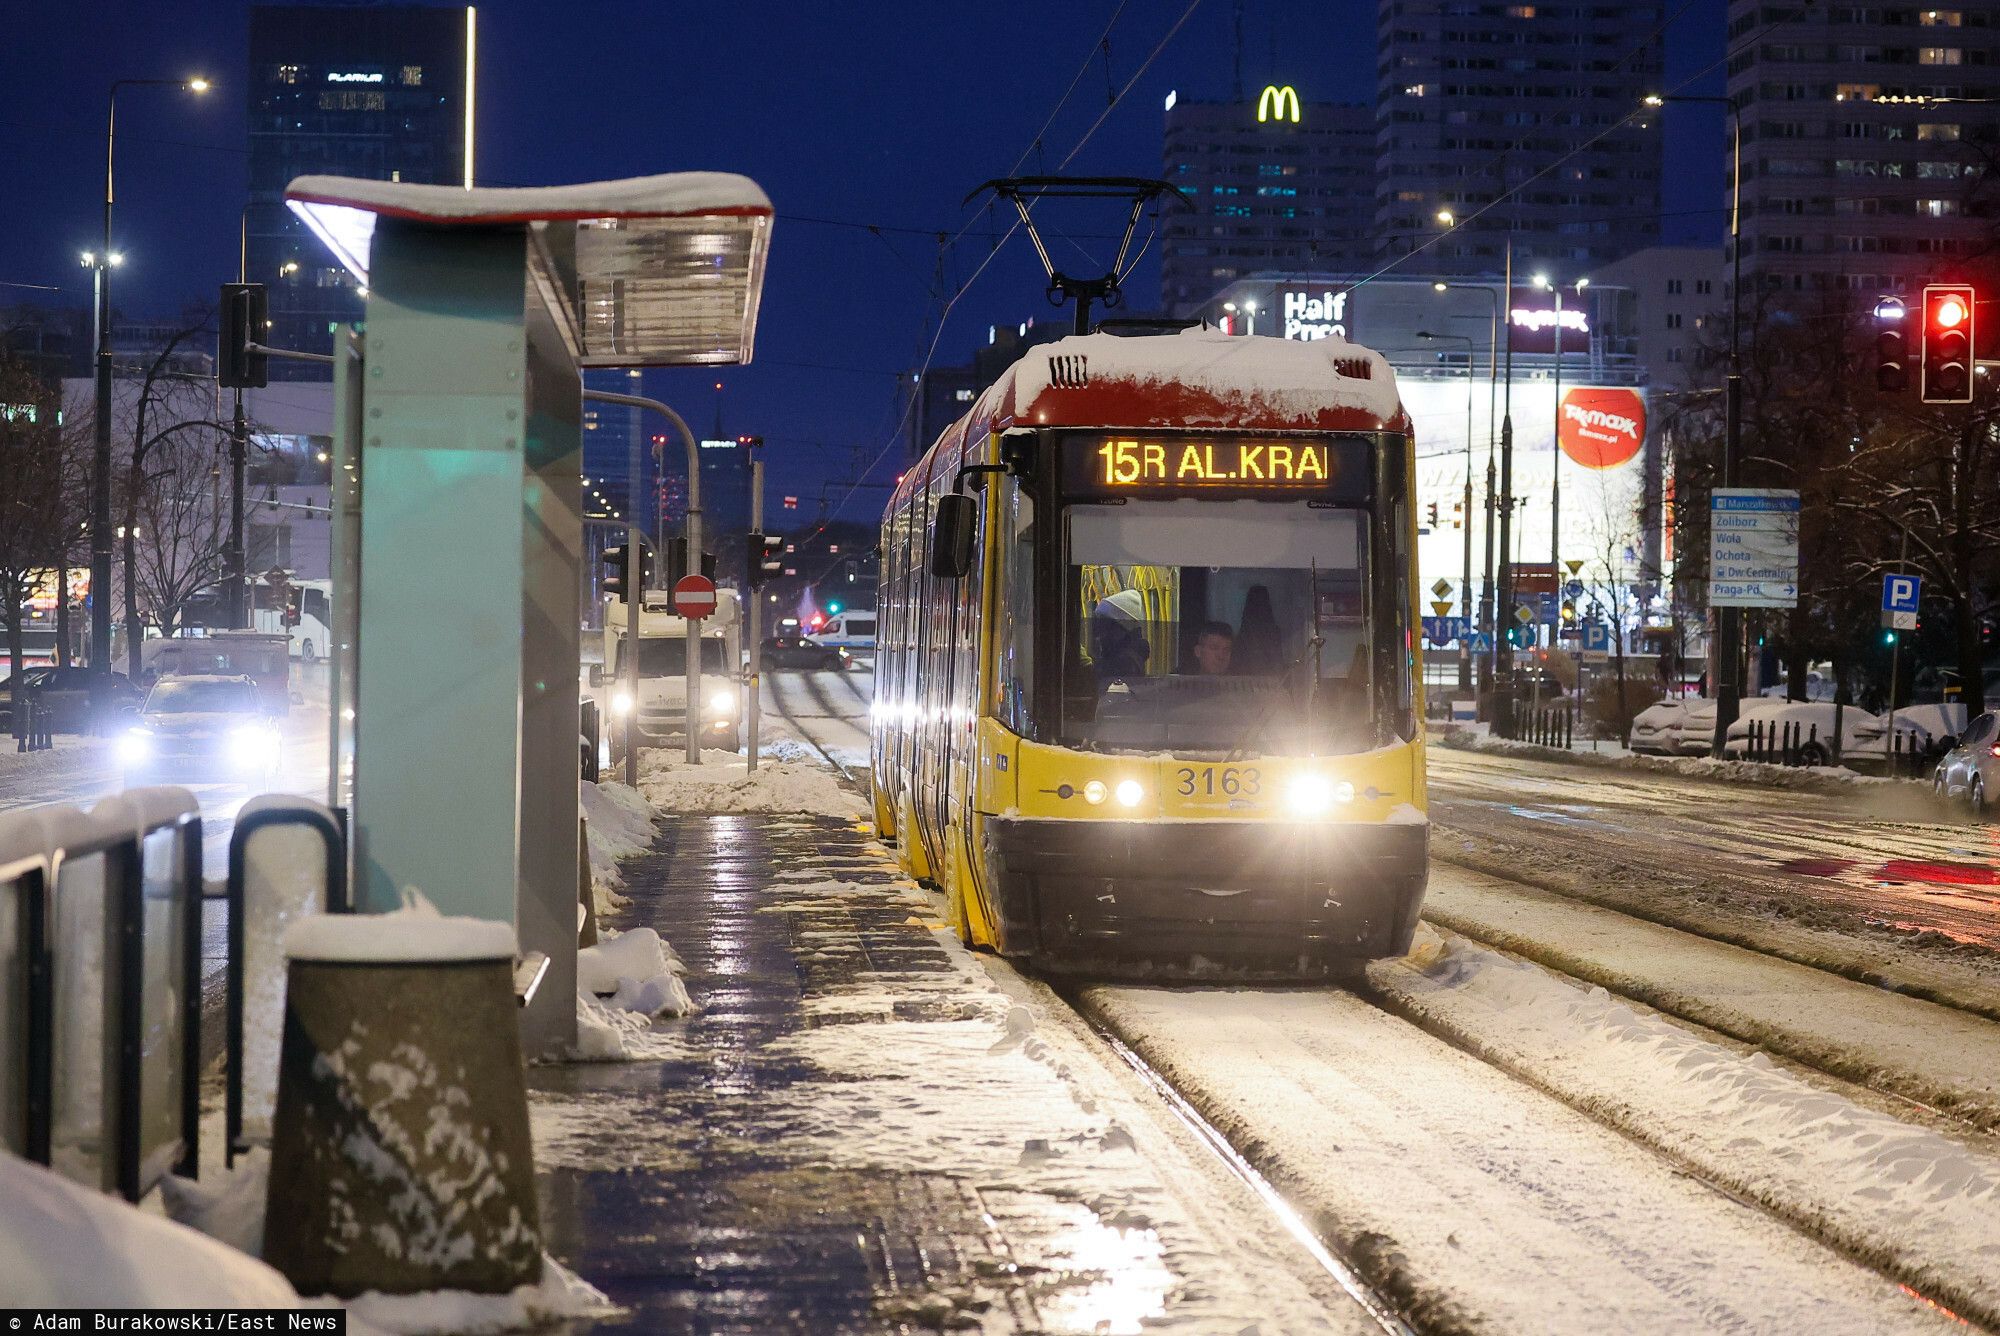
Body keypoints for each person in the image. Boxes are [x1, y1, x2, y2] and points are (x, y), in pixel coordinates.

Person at [1089, 589, 1151, 679]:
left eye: (1104, 623)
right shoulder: (1117, 650)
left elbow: (1104, 677)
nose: (1099, 634)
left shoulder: (1127, 661)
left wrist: (1085, 664)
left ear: (1118, 628)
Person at [1234, 584, 1283, 675]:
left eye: (1262, 603)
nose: (1259, 609)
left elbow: (1278, 664)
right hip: (1245, 684)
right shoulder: (1242, 636)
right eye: (1255, 603)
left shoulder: (1275, 634)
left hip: (1273, 684)